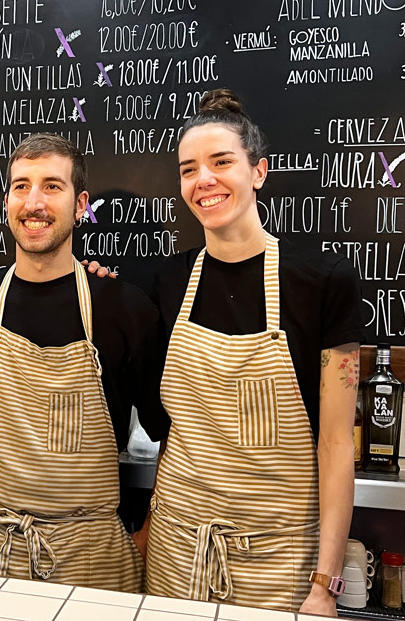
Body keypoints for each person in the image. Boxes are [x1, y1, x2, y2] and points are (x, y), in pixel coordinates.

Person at [144, 89, 360, 616]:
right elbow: (173, 425)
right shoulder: (166, 281)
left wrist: (324, 585)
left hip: (281, 561)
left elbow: (334, 443)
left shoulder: (324, 282)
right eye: (188, 168)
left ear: (258, 172)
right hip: (177, 551)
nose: (204, 180)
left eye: (222, 162)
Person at [0, 133, 166, 590]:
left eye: (52, 186)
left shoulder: (124, 309)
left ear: (81, 204)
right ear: (7, 201)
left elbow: (174, 435)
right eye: (21, 186)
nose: (34, 202)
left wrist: (151, 534)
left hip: (90, 558)